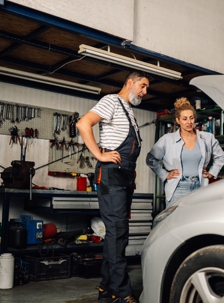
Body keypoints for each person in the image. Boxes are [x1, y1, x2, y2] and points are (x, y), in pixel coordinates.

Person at [76, 71, 150, 303]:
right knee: (117, 232)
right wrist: (100, 154)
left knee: (118, 234)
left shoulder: (128, 109)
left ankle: (106, 288)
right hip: (111, 175)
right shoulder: (111, 101)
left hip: (125, 176)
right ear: (130, 82)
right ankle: (121, 290)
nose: (145, 92)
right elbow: (83, 123)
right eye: (143, 86)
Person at [146, 97, 224, 207]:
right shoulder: (167, 139)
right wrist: (164, 174)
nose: (189, 122)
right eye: (184, 119)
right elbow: (150, 158)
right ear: (178, 120)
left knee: (198, 221)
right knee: (175, 221)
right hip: (178, 188)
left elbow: (221, 156)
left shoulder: (207, 138)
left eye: (191, 118)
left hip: (201, 186)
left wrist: (212, 173)